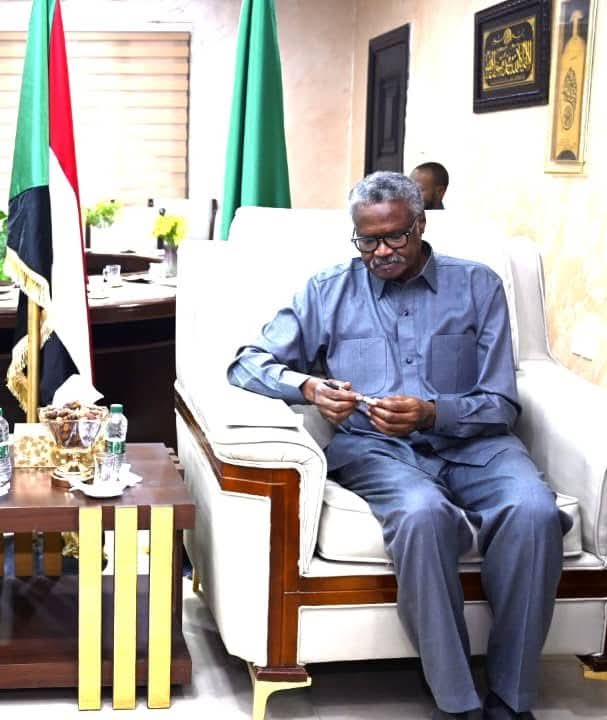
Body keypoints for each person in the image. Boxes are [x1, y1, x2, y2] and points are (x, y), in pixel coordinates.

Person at [227, 172, 566, 720]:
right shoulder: (327, 291)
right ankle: (457, 703)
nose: (381, 251)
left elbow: (501, 403)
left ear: (421, 224)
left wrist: (434, 412)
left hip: (477, 444)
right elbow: (247, 363)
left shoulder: (477, 286)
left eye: (394, 237)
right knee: (421, 514)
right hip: (377, 451)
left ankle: (511, 698)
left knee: (533, 512)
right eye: (368, 240)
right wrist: (309, 387)